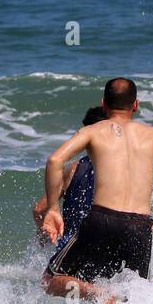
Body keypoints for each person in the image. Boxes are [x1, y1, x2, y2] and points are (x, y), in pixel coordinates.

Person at [41, 78, 153, 304]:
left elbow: (54, 160)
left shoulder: (92, 131)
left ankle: (97, 295)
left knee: (50, 280)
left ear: (103, 104)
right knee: (135, 296)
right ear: (135, 105)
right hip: (140, 226)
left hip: (102, 219)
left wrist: (53, 208)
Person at [34, 106, 105, 247]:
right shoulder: (122, 169)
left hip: (70, 249)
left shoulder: (73, 168)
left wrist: (44, 237)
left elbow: (39, 209)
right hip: (107, 246)